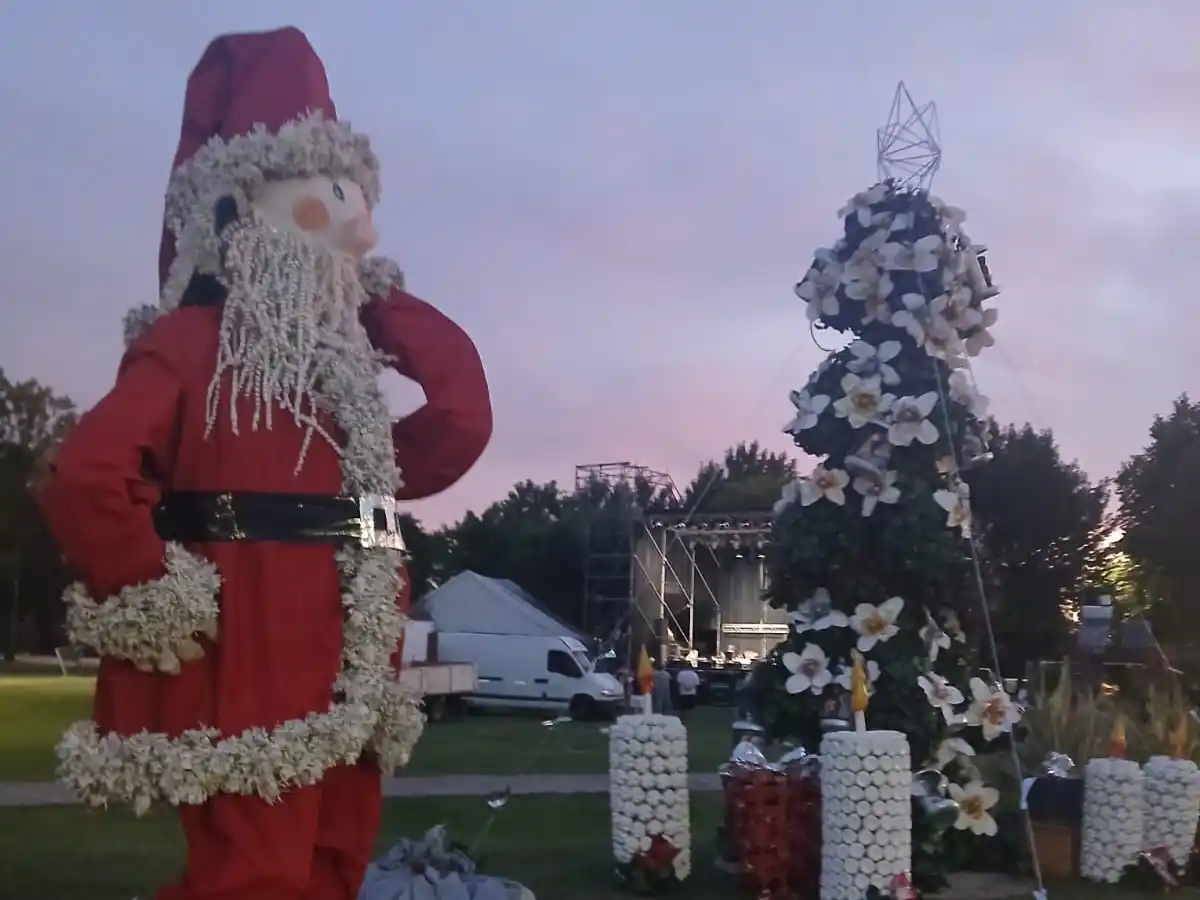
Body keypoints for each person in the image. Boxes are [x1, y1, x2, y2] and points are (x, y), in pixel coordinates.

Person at [37, 27, 492, 900]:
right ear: (240, 215)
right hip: (253, 633)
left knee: (333, 862)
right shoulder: (189, 345)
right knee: (255, 874)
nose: (360, 226)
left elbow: (459, 421)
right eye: (330, 196)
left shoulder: (339, 377)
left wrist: (379, 307)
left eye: (359, 198)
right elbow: (88, 475)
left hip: (352, 640)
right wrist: (150, 589)